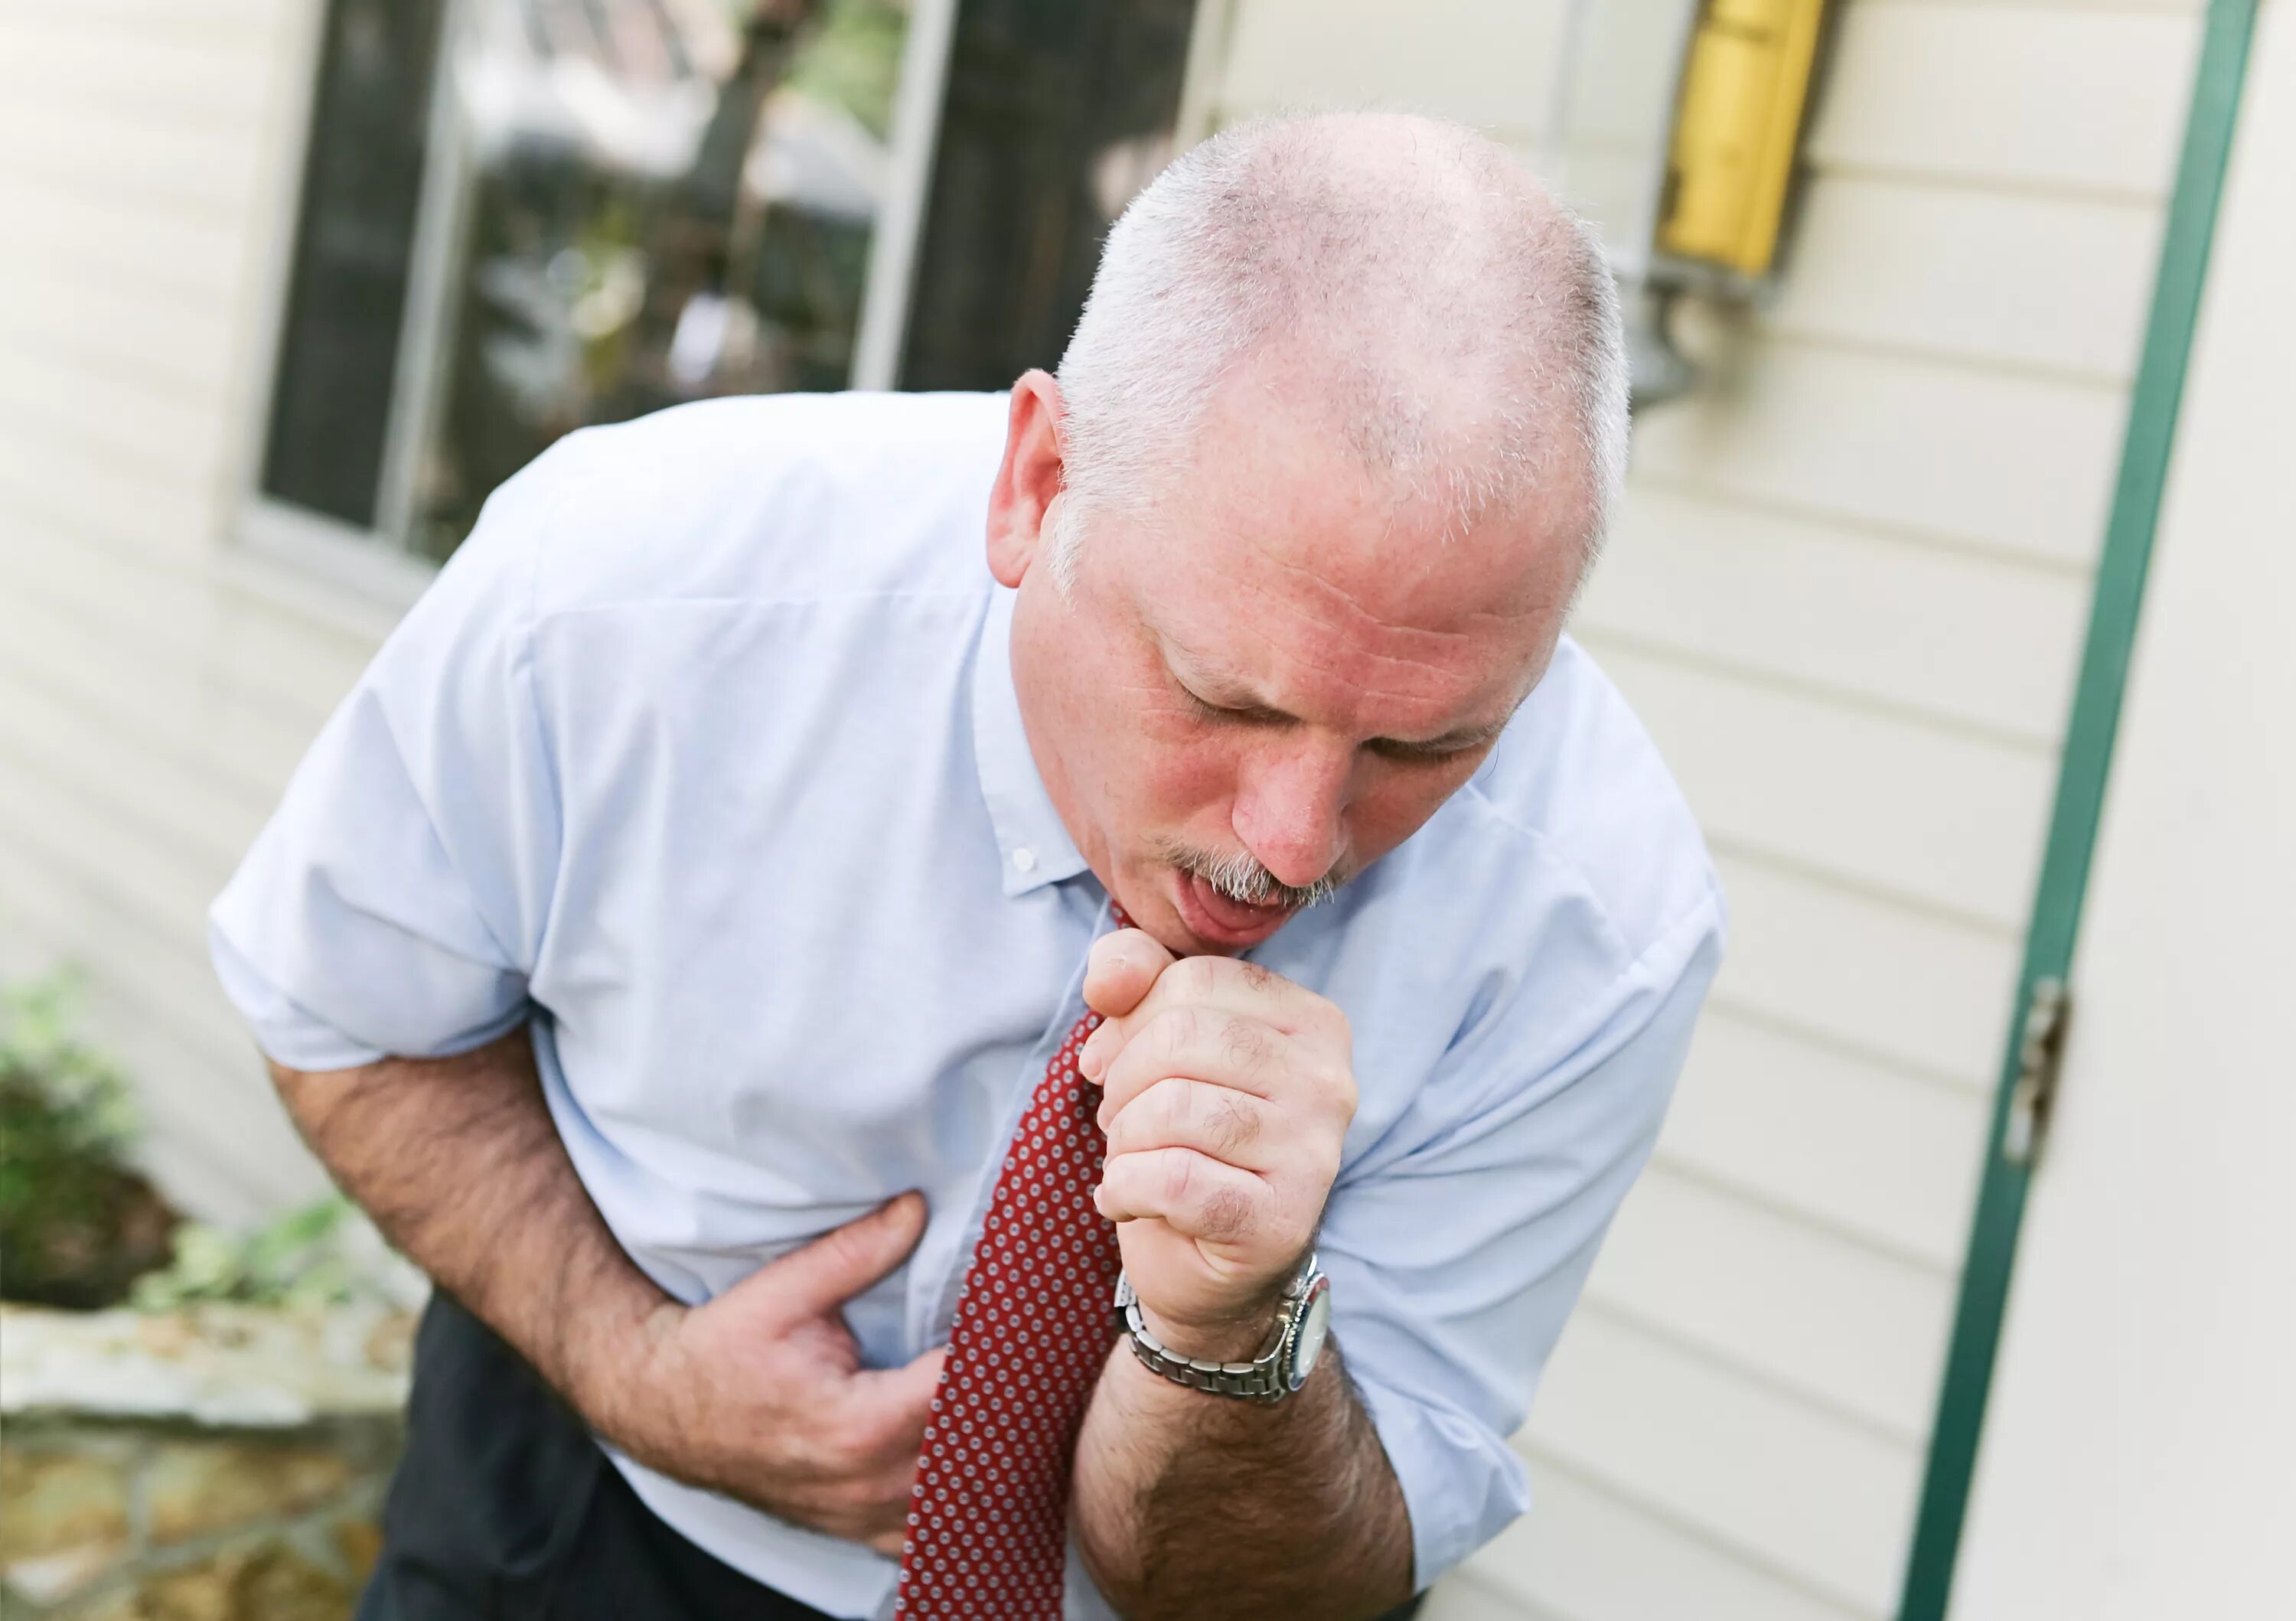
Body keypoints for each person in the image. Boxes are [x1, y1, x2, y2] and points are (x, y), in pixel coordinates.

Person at [209, 112, 1723, 1621]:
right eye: (1225, 698)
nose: (1291, 841)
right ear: (1036, 481)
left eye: (1425, 748)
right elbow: (350, 1015)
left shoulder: (1599, 914)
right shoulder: (627, 599)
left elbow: (1298, 1581)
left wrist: (1231, 1328)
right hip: (582, 1516)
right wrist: (636, 1369)